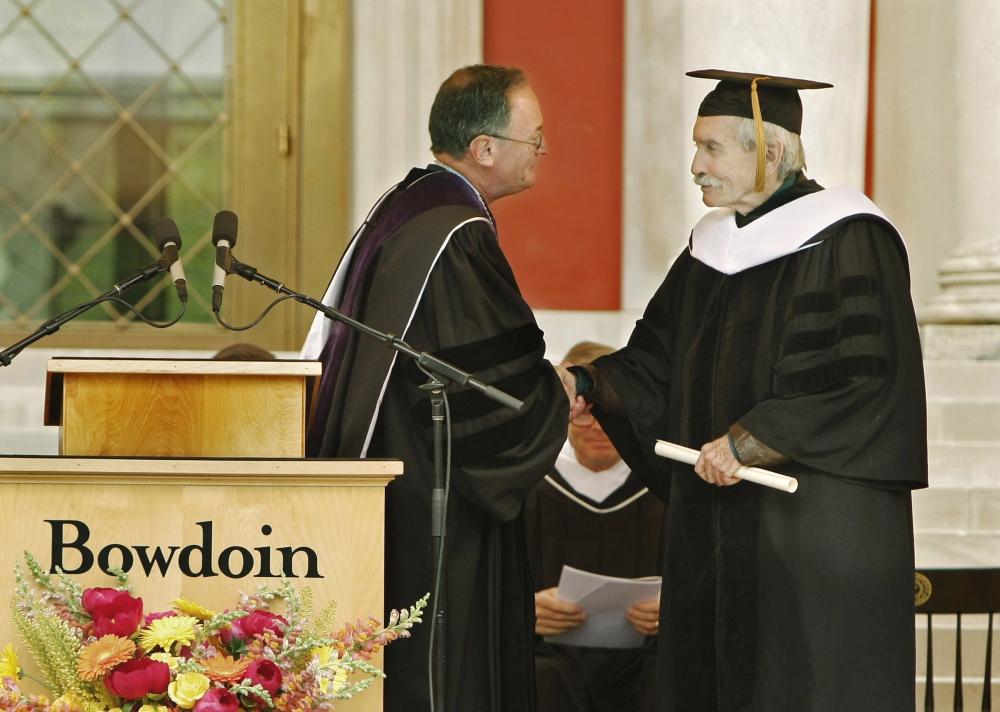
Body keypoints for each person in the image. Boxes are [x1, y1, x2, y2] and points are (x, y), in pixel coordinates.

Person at [558, 70, 928, 712]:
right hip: (717, 527)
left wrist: (750, 441)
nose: (695, 167)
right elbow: (655, 360)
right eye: (694, 147)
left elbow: (867, 380)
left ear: (773, 151)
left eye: (711, 148)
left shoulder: (849, 237)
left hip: (811, 528)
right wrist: (592, 383)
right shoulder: (710, 250)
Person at [299, 65, 568, 712]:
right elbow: (496, 396)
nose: (542, 152)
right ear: (485, 149)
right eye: (536, 138)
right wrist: (553, 393)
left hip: (388, 475)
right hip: (430, 495)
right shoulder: (456, 235)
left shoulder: (406, 206)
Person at [526, 341, 663, 712]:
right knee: (537, 676)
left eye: (608, 413)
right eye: (585, 413)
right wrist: (526, 610)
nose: (598, 427)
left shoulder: (663, 491)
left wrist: (673, 609)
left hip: (648, 656)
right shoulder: (529, 488)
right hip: (552, 655)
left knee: (669, 674)